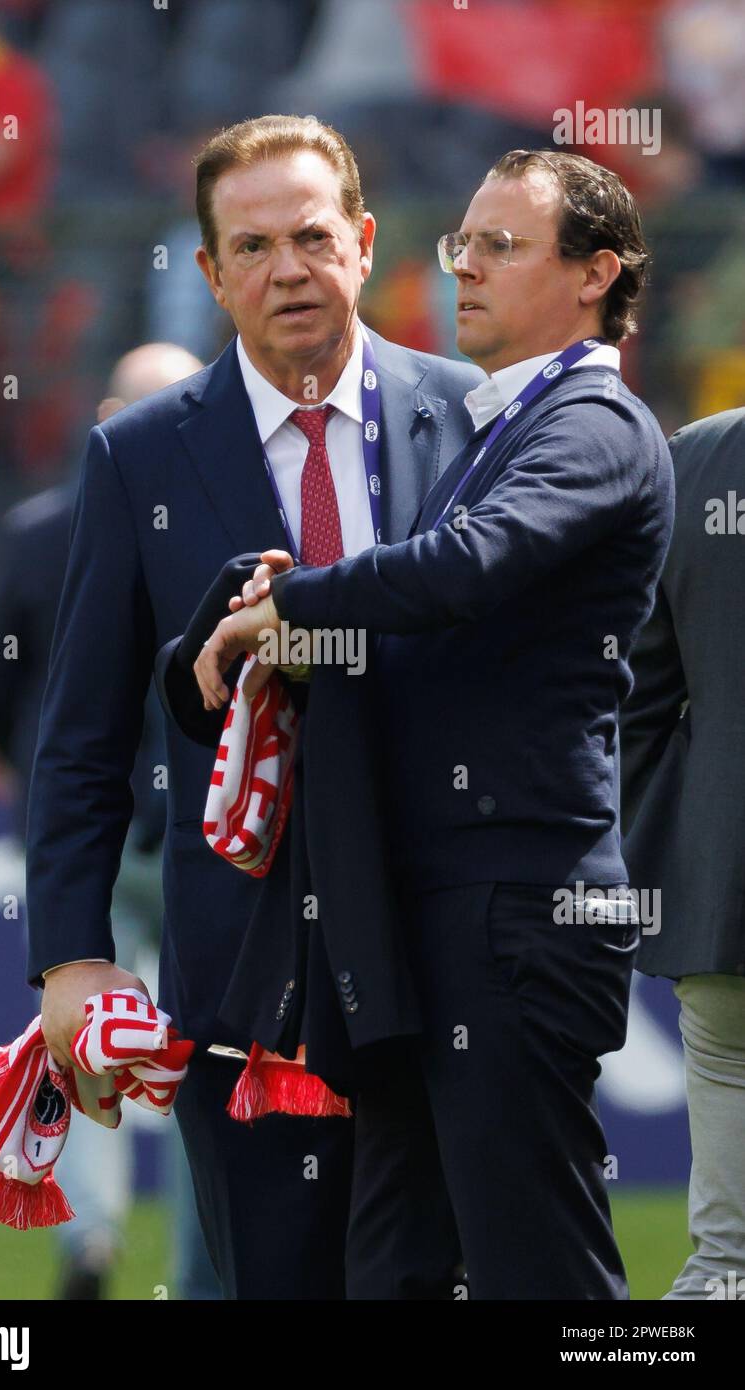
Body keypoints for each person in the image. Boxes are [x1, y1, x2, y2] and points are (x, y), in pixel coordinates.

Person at [195, 149, 675, 1300]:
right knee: (396, 1265)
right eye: (463, 242)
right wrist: (292, 632)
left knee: (538, 1269)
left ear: (596, 274)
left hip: (515, 900)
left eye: (503, 246)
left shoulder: (595, 422)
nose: (465, 266)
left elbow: (465, 569)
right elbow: (430, 610)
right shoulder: (505, 428)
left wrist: (297, 602)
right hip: (439, 907)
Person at [24, 113, 482, 1301]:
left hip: (452, 956)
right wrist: (71, 956)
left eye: (314, 235)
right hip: (243, 974)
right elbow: (78, 734)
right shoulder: (138, 456)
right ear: (213, 271)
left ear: (366, 243)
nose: (290, 267)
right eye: (255, 244)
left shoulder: (473, 413)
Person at [0, 343, 217, 1301]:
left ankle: (90, 1243)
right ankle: (203, 1267)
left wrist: (36, 798)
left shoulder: (41, 529)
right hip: (198, 827)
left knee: (78, 1046)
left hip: (86, 830)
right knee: (209, 1054)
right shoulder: (217, 521)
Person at [620, 407, 745, 1301]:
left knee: (725, 1263)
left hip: (722, 896)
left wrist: (677, 842)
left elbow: (631, 699)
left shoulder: (691, 459)